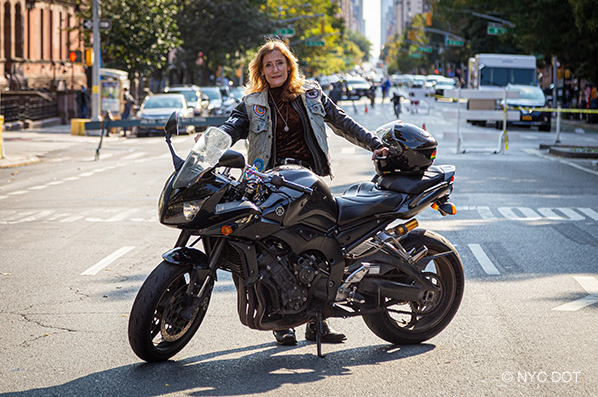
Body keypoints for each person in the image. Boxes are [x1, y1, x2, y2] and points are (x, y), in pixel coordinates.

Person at [217, 39, 388, 346]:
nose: (274, 69)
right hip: (269, 184)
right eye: (268, 65)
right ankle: (281, 322)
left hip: (309, 183)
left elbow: (342, 123)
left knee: (316, 251)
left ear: (289, 65)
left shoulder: (311, 94)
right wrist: (211, 145)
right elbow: (230, 127)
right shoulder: (252, 103)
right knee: (270, 251)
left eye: (279, 63)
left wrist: (374, 144)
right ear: (261, 70)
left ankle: (317, 323)